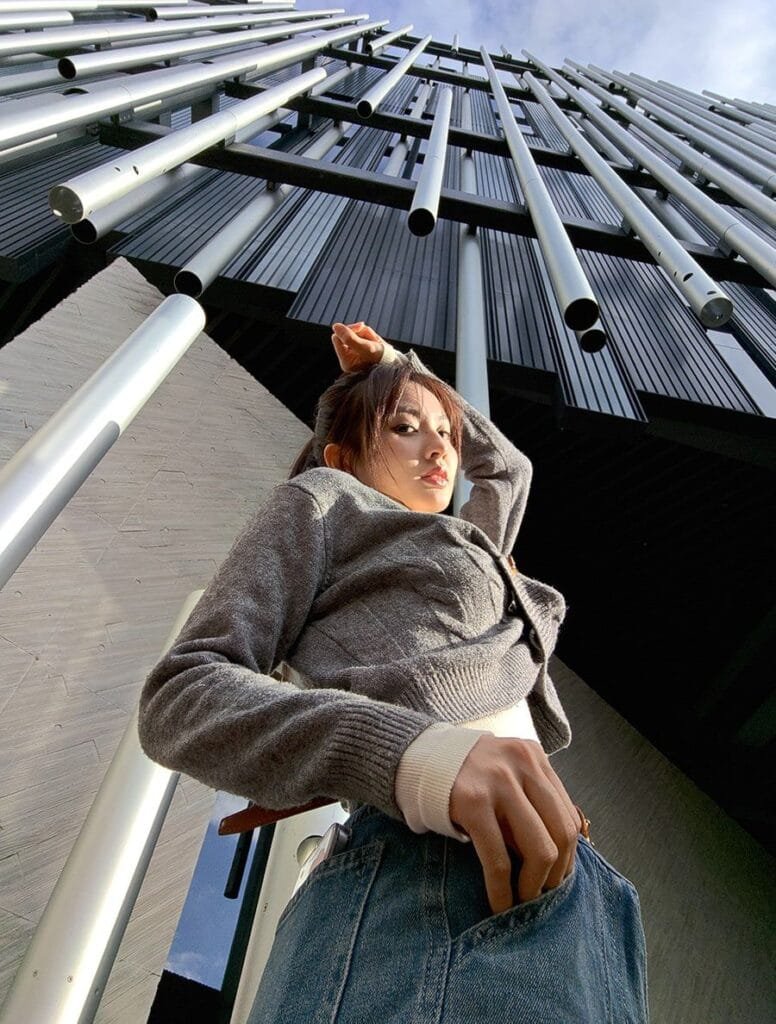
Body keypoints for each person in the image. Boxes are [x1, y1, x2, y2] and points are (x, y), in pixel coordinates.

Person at [139, 322, 648, 1023]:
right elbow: (183, 693)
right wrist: (413, 754)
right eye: (405, 427)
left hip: (584, 892)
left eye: (445, 430)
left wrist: (402, 365)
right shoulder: (326, 499)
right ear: (343, 454)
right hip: (427, 868)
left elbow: (511, 470)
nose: (440, 445)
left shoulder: (472, 545)